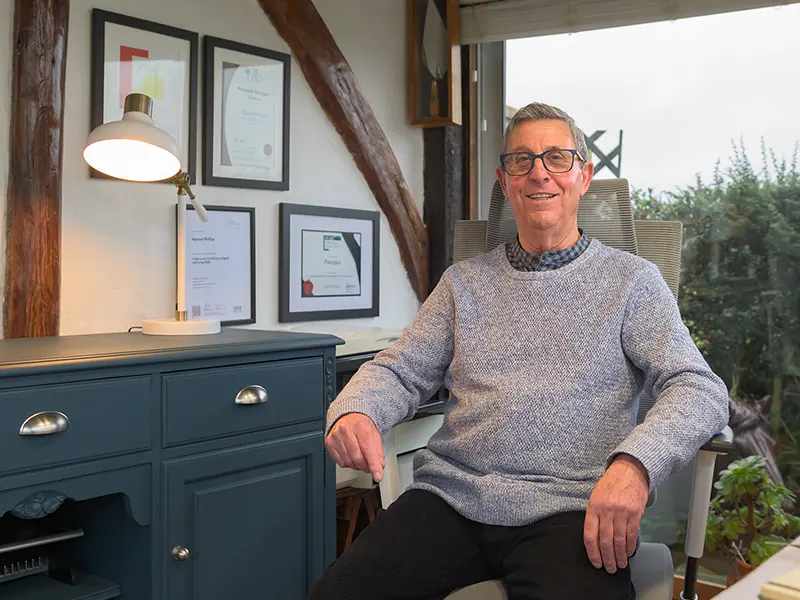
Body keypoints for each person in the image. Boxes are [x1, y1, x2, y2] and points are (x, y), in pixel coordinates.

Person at [311, 102, 730, 600]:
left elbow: (699, 389)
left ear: (584, 176)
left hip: (573, 507)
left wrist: (634, 465)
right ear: (505, 180)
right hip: (452, 498)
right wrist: (356, 409)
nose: (538, 173)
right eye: (521, 160)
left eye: (557, 158)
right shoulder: (463, 283)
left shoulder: (632, 282)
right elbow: (400, 370)